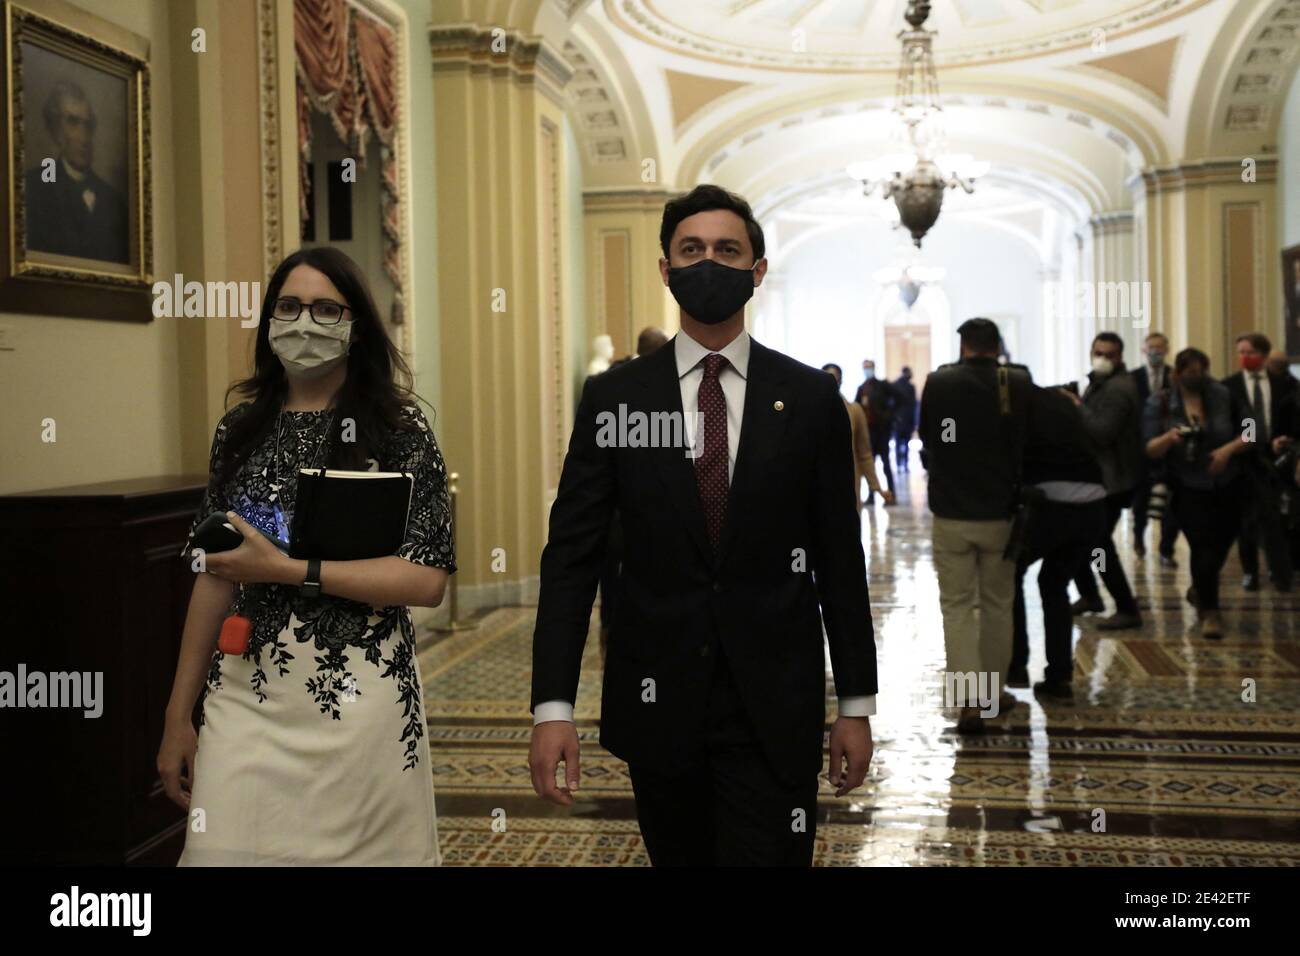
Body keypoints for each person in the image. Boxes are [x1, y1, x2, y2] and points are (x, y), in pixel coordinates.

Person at [529, 184, 878, 866]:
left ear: (758, 269)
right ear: (665, 269)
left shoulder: (808, 399)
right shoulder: (617, 397)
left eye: (727, 249)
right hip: (657, 702)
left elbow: (840, 556)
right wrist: (553, 708)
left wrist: (856, 703)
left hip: (775, 705)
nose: (708, 262)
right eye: (691, 249)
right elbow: (571, 557)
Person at [159, 247, 456, 865]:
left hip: (360, 700)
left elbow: (427, 580)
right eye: (289, 307)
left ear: (356, 326)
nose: (305, 323)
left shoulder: (400, 432)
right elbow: (213, 577)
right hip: (246, 692)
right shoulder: (238, 430)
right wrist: (176, 715)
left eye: (327, 309)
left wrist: (289, 570)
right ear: (269, 322)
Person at [919, 317, 1024, 734]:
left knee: (958, 606)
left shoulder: (939, 382)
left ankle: (968, 701)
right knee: (998, 603)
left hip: (952, 512)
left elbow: (928, 437)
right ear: (997, 346)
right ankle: (994, 693)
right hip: (1001, 512)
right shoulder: (1016, 381)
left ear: (962, 345)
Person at [1145, 348, 1252, 638]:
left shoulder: (1224, 395)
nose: (1197, 376)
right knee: (1202, 547)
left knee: (1221, 545)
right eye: (1190, 371)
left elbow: (1251, 430)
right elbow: (1149, 448)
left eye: (1201, 370)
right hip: (1187, 486)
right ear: (1177, 373)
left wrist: (1228, 450)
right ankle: (1211, 612)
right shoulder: (1162, 402)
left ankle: (1201, 588)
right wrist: (1170, 437)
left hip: (1228, 483)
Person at [1009, 386, 1107, 699]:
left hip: (1052, 505)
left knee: (1009, 575)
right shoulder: (1063, 404)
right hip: (1093, 504)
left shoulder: (1021, 408)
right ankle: (1060, 676)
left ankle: (1015, 668)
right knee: (1054, 583)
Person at [597, 326, 670, 662]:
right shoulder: (611, 384)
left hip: (635, 504)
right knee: (613, 568)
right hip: (619, 503)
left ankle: (616, 625)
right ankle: (612, 625)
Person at [1064, 332, 1143, 630]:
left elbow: (1102, 432)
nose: (1102, 358)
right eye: (1098, 352)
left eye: (1109, 354)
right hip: (1101, 478)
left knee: (1097, 544)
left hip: (1111, 482)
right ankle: (1090, 596)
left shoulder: (1117, 389)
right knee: (1081, 540)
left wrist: (1075, 406)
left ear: (1120, 357)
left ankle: (1126, 607)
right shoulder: (1102, 384)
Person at [24, 80, 128, 263]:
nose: (84, 136)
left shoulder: (113, 200)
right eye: (73, 122)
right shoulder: (33, 189)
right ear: (56, 130)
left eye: (88, 125)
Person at [1225, 333, 1296, 592]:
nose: (1245, 357)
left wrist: (1282, 440)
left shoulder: (1285, 386)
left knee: (1276, 517)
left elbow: (1291, 420)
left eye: (1250, 352)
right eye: (1241, 352)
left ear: (1264, 356)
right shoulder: (1229, 386)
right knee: (1246, 518)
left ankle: (1280, 572)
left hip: (1277, 456)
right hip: (1243, 458)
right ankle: (1250, 571)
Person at [1130, 332, 1181, 565]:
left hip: (1171, 448)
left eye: (1159, 347)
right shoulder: (1133, 378)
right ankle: (1138, 537)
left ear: (1167, 349)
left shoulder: (1175, 377)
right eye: (1151, 347)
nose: (1155, 351)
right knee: (1141, 499)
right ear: (1143, 349)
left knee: (1172, 502)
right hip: (1141, 448)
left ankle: (1166, 550)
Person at [823, 363, 894, 508]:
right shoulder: (810, 412)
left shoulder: (854, 411)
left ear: (840, 381)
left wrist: (877, 488)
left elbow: (864, 455)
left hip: (849, 481)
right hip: (820, 483)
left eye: (834, 379)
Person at [856, 359, 898, 503]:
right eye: (865, 367)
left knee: (886, 463)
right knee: (869, 464)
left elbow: (898, 399)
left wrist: (889, 416)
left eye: (869, 367)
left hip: (882, 431)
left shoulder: (882, 385)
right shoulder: (861, 388)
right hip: (869, 432)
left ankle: (891, 494)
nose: (867, 370)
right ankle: (872, 495)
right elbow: (858, 407)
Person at [893, 367, 918, 473]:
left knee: (900, 443)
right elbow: (912, 405)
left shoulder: (900, 386)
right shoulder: (905, 386)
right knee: (903, 443)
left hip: (900, 420)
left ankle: (900, 464)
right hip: (904, 419)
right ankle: (903, 464)